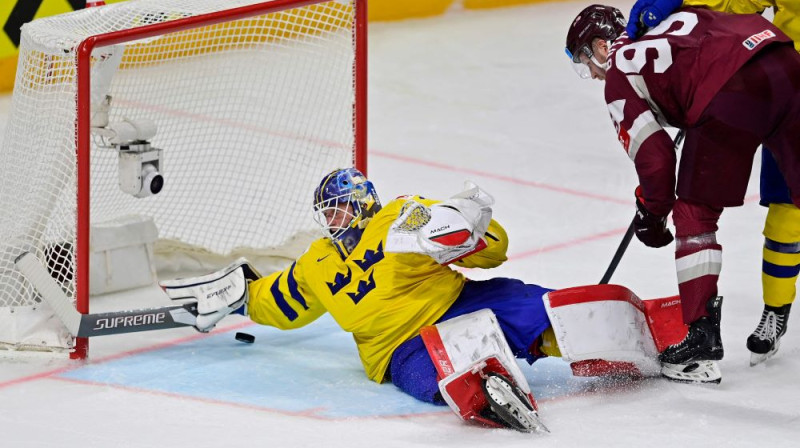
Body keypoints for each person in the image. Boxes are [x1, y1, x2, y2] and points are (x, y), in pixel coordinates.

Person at [158, 167, 680, 432]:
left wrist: (470, 235)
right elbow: (284, 302)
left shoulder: (400, 216)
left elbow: (490, 249)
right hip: (396, 347)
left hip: (459, 299)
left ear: (363, 203)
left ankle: (650, 333)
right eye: (328, 212)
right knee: (427, 368)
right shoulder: (316, 261)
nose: (333, 219)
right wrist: (240, 300)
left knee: (531, 305)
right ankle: (482, 385)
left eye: (340, 208)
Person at [564, 4, 800, 382]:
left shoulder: (618, 74)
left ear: (601, 47)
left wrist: (653, 213)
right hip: (786, 60)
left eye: (584, 60)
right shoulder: (667, 25)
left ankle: (701, 343)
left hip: (733, 90)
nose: (591, 74)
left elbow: (656, 160)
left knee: (694, 213)